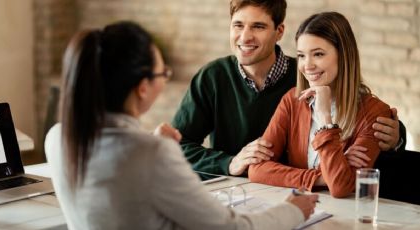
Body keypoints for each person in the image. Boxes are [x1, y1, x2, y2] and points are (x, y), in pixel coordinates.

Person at [45, 21, 318, 230]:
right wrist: (294, 210)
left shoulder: (57, 137)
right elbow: (230, 227)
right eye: (163, 73)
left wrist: (155, 145)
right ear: (143, 88)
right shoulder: (151, 152)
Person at [172, 0, 404, 176]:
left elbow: (359, 107)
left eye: (258, 27)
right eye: (238, 25)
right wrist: (228, 163)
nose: (245, 37)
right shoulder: (213, 77)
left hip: (295, 189)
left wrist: (397, 137)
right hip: (234, 189)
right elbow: (176, 146)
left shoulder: (309, 75)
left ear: (279, 31)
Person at [248, 11, 391, 198]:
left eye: (318, 54)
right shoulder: (292, 100)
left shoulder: (374, 112)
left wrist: (325, 119)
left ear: (343, 56)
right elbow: (257, 169)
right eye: (301, 56)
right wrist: (322, 178)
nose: (307, 65)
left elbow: (340, 187)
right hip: (300, 208)